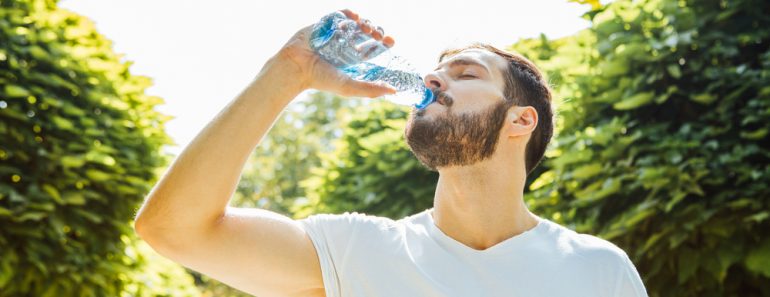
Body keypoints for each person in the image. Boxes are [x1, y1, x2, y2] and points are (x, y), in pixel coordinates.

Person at [134, 9, 648, 297]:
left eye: (466, 74)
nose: (432, 80)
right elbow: (174, 229)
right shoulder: (356, 251)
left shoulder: (597, 271)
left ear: (521, 120)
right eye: (436, 72)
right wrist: (287, 71)